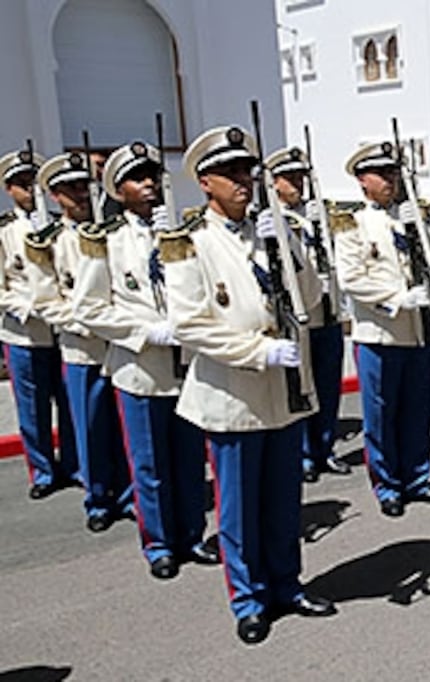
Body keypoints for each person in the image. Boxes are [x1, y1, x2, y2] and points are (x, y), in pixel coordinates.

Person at [162, 125, 336, 645]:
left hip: (283, 391)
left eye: (247, 170)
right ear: (204, 182)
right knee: (238, 505)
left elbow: (306, 302)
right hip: (233, 394)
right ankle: (249, 598)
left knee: (283, 500)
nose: (244, 180)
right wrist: (256, 351)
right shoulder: (186, 241)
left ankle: (287, 585)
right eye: (231, 173)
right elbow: (189, 324)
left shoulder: (274, 230)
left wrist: (286, 249)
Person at [74, 142, 216, 579]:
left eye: (154, 175)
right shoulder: (107, 243)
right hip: (142, 371)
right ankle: (159, 544)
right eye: (138, 178)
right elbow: (89, 308)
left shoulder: (182, 234)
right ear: (118, 190)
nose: (150, 184)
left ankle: (192, 535)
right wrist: (143, 332)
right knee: (151, 464)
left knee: (189, 460)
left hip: (187, 367)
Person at [334, 141, 430, 517]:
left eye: (393, 173)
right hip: (380, 333)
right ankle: (387, 485)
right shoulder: (351, 222)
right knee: (382, 415)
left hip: (416, 330)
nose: (390, 180)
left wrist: (419, 224)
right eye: (381, 174)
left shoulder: (410, 216)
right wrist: (397, 297)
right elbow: (351, 278)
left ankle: (417, 478)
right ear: (361, 181)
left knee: (417, 408)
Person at [27, 152, 131, 530]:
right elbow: (44, 302)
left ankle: (127, 493)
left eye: (83, 186)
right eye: (70, 188)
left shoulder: (113, 232)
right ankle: (98, 499)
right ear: (54, 195)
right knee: (89, 428)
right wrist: (86, 322)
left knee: (121, 428)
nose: (80, 194)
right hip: (82, 347)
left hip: (120, 347)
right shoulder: (49, 241)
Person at [263, 146, 351, 483]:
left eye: (300, 176)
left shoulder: (321, 214)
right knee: (300, 388)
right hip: (298, 317)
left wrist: (321, 225)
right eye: (289, 178)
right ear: (273, 182)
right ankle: (301, 454)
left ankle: (323, 449)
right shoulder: (270, 220)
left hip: (327, 313)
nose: (297, 183)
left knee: (328, 388)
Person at [0, 149, 79, 499]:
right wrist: (27, 308)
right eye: (21, 184)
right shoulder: (5, 230)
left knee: (69, 404)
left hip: (65, 332)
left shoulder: (62, 226)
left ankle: (76, 464)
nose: (29, 190)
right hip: (24, 332)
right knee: (33, 407)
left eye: (33, 182)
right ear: (8, 189)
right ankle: (43, 471)